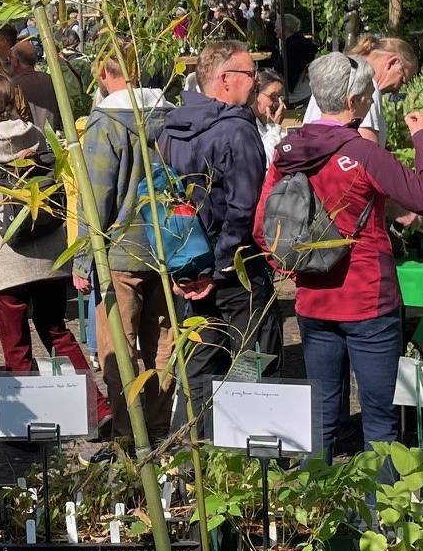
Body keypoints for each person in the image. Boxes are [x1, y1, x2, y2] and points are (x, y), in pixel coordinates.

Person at [276, 53, 423, 452]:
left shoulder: (286, 153)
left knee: (320, 416)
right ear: (351, 102)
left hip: (313, 300)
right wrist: (422, 138)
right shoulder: (363, 153)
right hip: (368, 299)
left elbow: (265, 226)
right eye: (368, 95)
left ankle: (317, 510)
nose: (372, 101)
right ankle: (381, 512)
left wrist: (294, 269)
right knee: (380, 422)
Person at [0, 75, 104, 424]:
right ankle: (96, 406)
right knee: (56, 331)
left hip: (6, 257)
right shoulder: (37, 135)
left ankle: (26, 422)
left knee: (15, 344)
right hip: (49, 254)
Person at [159, 41, 278, 387]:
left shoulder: (170, 129)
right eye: (250, 73)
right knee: (254, 367)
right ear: (225, 79)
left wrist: (184, 267)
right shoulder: (238, 130)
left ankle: (195, 439)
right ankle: (246, 440)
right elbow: (244, 209)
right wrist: (219, 266)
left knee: (200, 366)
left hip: (191, 268)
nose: (256, 81)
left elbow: (165, 201)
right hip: (236, 270)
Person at [77, 44, 176, 443]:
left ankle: (126, 432)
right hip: (168, 245)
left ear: (104, 73)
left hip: (120, 248)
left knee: (118, 346)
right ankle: (158, 427)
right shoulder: (170, 114)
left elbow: (97, 193)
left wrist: (83, 257)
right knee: (163, 343)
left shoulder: (106, 123)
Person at [303, 35, 418, 146]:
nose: (397, 91)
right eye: (402, 79)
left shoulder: (334, 78)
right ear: (393, 63)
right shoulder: (367, 89)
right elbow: (366, 154)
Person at [9, 41, 63, 128]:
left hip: (28, 137)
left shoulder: (14, 85)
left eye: (11, 58)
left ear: (16, 61)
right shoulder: (50, 79)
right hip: (54, 137)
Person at [278, 14, 317, 104]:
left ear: (285, 29)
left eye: (277, 27)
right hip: (307, 90)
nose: (275, 30)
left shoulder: (292, 46)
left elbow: (281, 69)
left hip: (297, 94)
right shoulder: (299, 41)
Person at [253, 69, 287, 168]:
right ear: (256, 93)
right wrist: (275, 127)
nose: (277, 104)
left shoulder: (260, 122)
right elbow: (265, 162)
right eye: (272, 97)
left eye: (280, 98)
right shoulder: (246, 124)